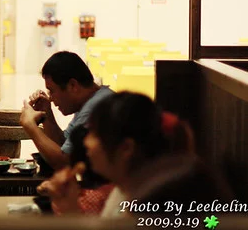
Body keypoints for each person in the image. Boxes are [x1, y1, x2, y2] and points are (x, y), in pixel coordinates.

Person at [38, 92, 195, 218]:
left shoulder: (145, 209)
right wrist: (70, 207)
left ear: (126, 149)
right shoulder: (122, 192)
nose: (86, 142)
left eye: (95, 134)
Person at [20, 51, 114, 170]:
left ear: (73, 86)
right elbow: (64, 145)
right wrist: (46, 114)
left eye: (52, 91)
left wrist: (30, 126)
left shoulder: (97, 107)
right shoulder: (90, 102)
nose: (50, 98)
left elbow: (66, 163)